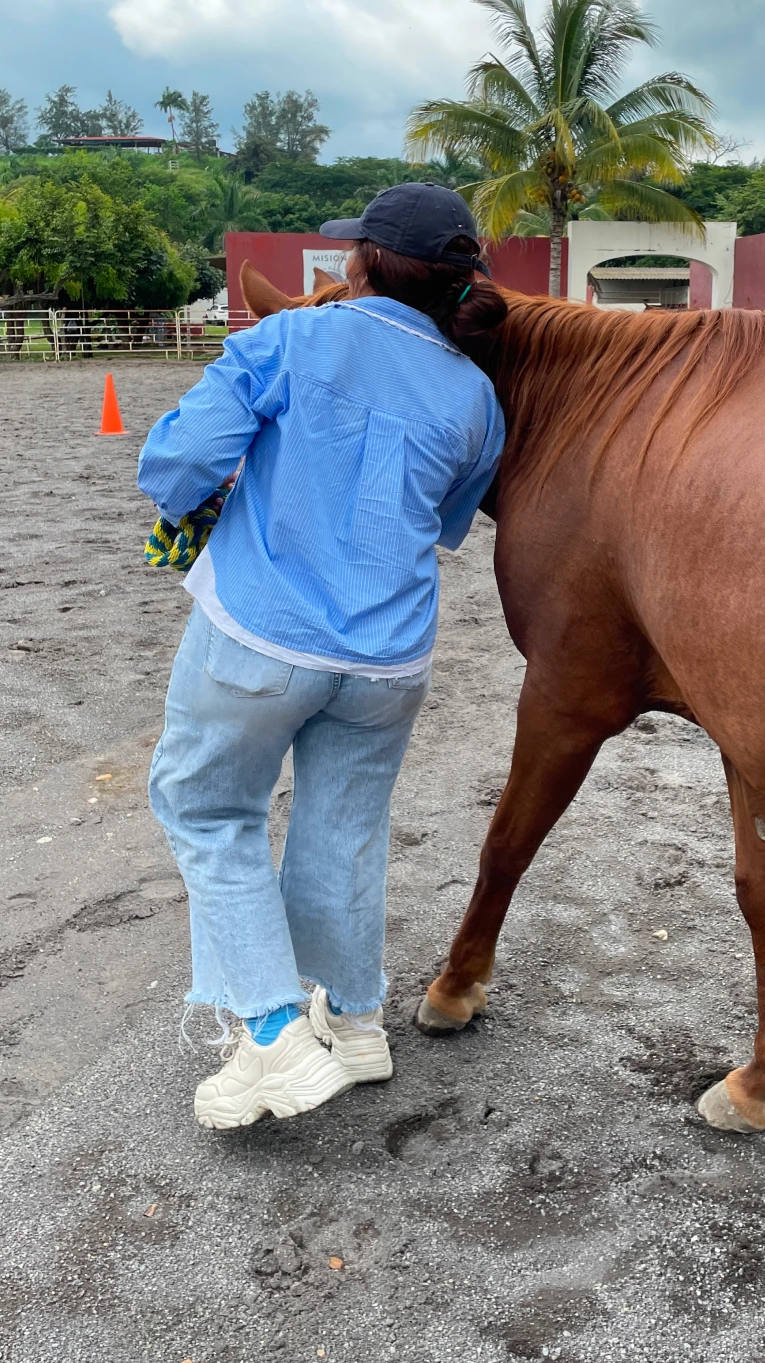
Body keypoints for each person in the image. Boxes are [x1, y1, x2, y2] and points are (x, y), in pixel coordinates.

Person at [138, 183, 507, 1130]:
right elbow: (451, 523)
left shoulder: (288, 341)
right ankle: (353, 1021)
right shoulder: (475, 397)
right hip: (389, 656)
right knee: (343, 831)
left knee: (207, 807)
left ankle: (270, 1031)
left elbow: (177, 466)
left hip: (259, 633)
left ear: (364, 262)